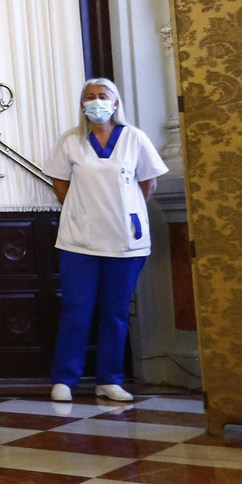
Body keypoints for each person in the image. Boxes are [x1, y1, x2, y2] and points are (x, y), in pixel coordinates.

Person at [43, 78, 167, 403]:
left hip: (125, 242)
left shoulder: (134, 138)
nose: (95, 101)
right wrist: (84, 212)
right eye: (89, 96)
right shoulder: (70, 141)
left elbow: (148, 185)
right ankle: (65, 379)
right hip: (79, 242)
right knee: (76, 311)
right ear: (81, 104)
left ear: (115, 103)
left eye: (102, 96)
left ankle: (109, 380)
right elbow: (60, 185)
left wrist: (125, 212)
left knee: (115, 313)